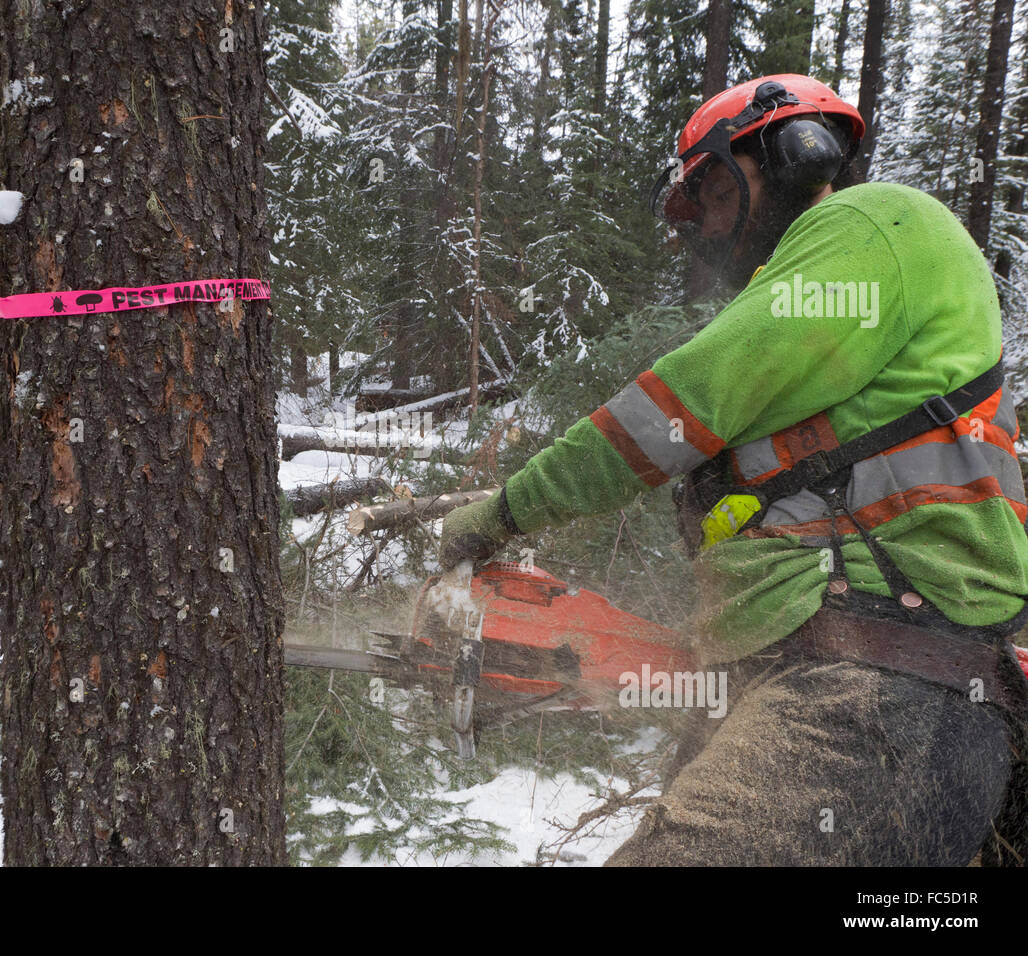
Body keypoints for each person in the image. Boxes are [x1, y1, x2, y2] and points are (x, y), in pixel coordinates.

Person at [438, 74, 1028, 865]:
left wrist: (501, 514)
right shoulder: (830, 302)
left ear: (790, 154)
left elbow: (674, 409)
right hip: (849, 683)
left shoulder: (877, 223)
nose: (707, 227)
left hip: (878, 693)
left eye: (712, 194)